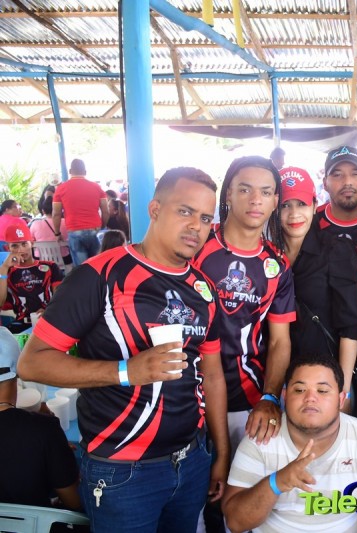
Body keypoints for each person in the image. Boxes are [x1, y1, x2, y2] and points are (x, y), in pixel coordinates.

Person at [17, 167, 230, 533]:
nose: (196, 226)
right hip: (121, 471)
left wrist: (220, 454)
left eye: (206, 218)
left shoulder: (203, 289)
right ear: (155, 209)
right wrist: (126, 371)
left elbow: (211, 376)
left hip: (191, 460)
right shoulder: (98, 276)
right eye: (185, 211)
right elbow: (32, 363)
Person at [223, 354, 357, 533]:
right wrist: (277, 482)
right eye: (299, 390)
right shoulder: (262, 436)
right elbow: (235, 522)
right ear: (285, 396)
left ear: (341, 399)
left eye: (323, 390)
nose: (310, 398)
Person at [193, 156, 295, 448]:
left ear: (275, 201)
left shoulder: (277, 264)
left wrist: (270, 396)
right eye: (245, 189)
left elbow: (279, 341)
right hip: (188, 398)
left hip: (248, 403)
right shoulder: (196, 246)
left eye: (265, 192)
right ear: (228, 194)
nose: (255, 199)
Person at [279, 166, 357, 410]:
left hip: (325, 382)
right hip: (275, 378)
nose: (294, 214)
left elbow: (350, 326)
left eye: (301, 204)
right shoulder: (267, 254)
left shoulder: (336, 250)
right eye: (285, 205)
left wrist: (343, 389)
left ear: (315, 205)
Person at [0, 328, 81, 510]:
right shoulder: (43, 429)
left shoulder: (42, 430)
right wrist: (56, 450)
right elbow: (75, 502)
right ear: (19, 372)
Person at [315, 146, 357, 274]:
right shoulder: (310, 222)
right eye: (337, 175)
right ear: (325, 184)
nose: (347, 182)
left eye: (356, 174)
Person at [0, 222, 62, 332]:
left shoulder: (50, 266)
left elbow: (61, 296)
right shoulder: (6, 272)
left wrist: (49, 311)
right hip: (21, 326)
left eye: (24, 244)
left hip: (50, 320)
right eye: (15, 246)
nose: (20, 250)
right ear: (7, 247)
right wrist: (4, 268)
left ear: (32, 243)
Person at [52, 159, 109, 266]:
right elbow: (106, 211)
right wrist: (102, 226)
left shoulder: (61, 189)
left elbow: (56, 214)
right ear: (85, 172)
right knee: (98, 266)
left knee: (81, 269)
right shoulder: (97, 187)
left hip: (74, 231)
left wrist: (57, 233)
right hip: (95, 230)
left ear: (70, 171)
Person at [29, 196, 72, 269]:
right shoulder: (66, 222)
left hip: (42, 260)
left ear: (43, 211)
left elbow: (31, 241)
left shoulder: (35, 224)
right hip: (64, 259)